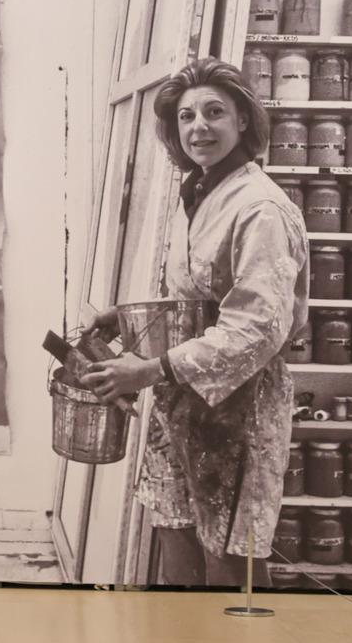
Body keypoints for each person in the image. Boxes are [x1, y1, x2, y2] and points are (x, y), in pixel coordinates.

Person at [81, 57, 308, 586]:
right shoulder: (200, 194)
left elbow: (256, 329)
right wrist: (131, 315)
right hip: (184, 395)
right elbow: (196, 296)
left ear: (244, 120)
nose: (199, 128)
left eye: (214, 113)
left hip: (239, 405)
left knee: (231, 553)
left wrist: (151, 369)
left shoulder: (261, 209)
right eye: (186, 117)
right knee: (175, 527)